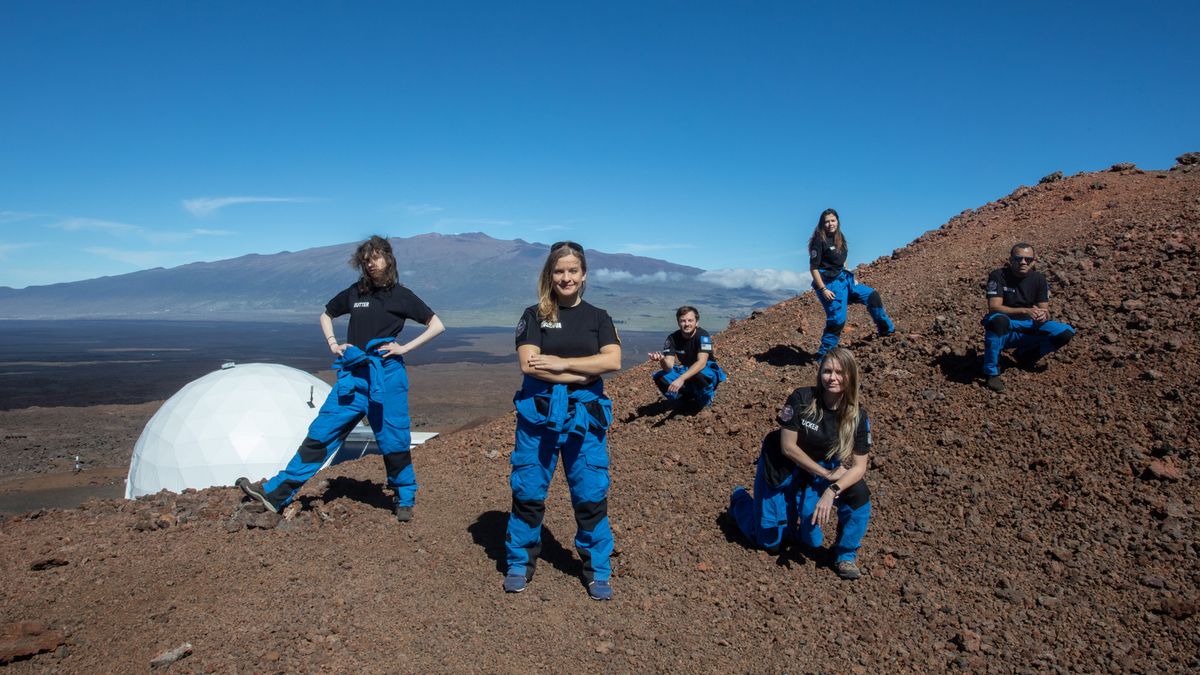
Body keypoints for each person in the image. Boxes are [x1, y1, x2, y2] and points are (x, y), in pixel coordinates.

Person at [237, 235, 444, 522]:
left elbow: (437, 324)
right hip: (352, 376)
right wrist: (334, 344)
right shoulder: (355, 293)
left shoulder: (401, 295)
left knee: (394, 438)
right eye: (366, 260)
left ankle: (404, 496)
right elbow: (326, 314)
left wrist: (404, 348)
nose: (371, 264)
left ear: (388, 258)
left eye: (375, 258)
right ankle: (276, 493)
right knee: (321, 433)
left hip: (386, 377)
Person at [504, 241, 622, 601]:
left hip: (585, 419)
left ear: (583, 274)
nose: (566, 277)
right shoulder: (533, 314)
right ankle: (519, 562)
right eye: (559, 271)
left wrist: (560, 364)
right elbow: (529, 364)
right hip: (538, 416)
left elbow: (614, 361)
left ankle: (597, 568)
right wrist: (585, 371)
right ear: (549, 275)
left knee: (590, 492)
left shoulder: (598, 317)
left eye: (572, 270)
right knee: (528, 489)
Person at [728, 347, 873, 580]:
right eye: (827, 371)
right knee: (768, 540)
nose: (832, 378)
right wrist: (826, 475)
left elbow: (859, 467)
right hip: (782, 464)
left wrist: (832, 491)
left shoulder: (857, 416)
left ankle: (845, 555)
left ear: (851, 376)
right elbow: (788, 447)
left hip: (819, 468)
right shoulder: (802, 398)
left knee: (852, 500)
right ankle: (739, 501)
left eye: (839, 372)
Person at [981, 243, 1076, 392]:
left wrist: (1042, 315)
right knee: (997, 320)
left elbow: (1045, 309)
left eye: (1028, 259)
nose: (1023, 262)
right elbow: (994, 307)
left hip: (1028, 326)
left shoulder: (1039, 279)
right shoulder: (998, 276)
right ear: (1011, 260)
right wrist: (1026, 310)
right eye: (1018, 259)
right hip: (1006, 325)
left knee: (1065, 332)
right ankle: (991, 372)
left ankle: (1026, 355)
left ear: (1034, 261)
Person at [808, 208, 894, 357]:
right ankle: (823, 356)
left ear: (837, 221)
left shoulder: (840, 237)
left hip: (844, 279)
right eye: (827, 221)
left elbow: (843, 258)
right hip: (829, 284)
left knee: (872, 296)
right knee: (837, 319)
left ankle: (887, 331)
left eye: (833, 220)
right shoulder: (819, 241)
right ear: (822, 224)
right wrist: (823, 289)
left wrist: (848, 274)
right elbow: (813, 268)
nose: (830, 224)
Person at [648, 305, 727, 409]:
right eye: (683, 321)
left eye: (690, 320)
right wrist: (662, 359)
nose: (687, 324)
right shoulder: (672, 338)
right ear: (678, 322)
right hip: (686, 369)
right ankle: (683, 399)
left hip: (706, 370)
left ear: (696, 322)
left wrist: (681, 379)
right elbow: (668, 368)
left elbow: (702, 362)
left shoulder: (703, 336)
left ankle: (706, 399)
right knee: (660, 376)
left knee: (699, 375)